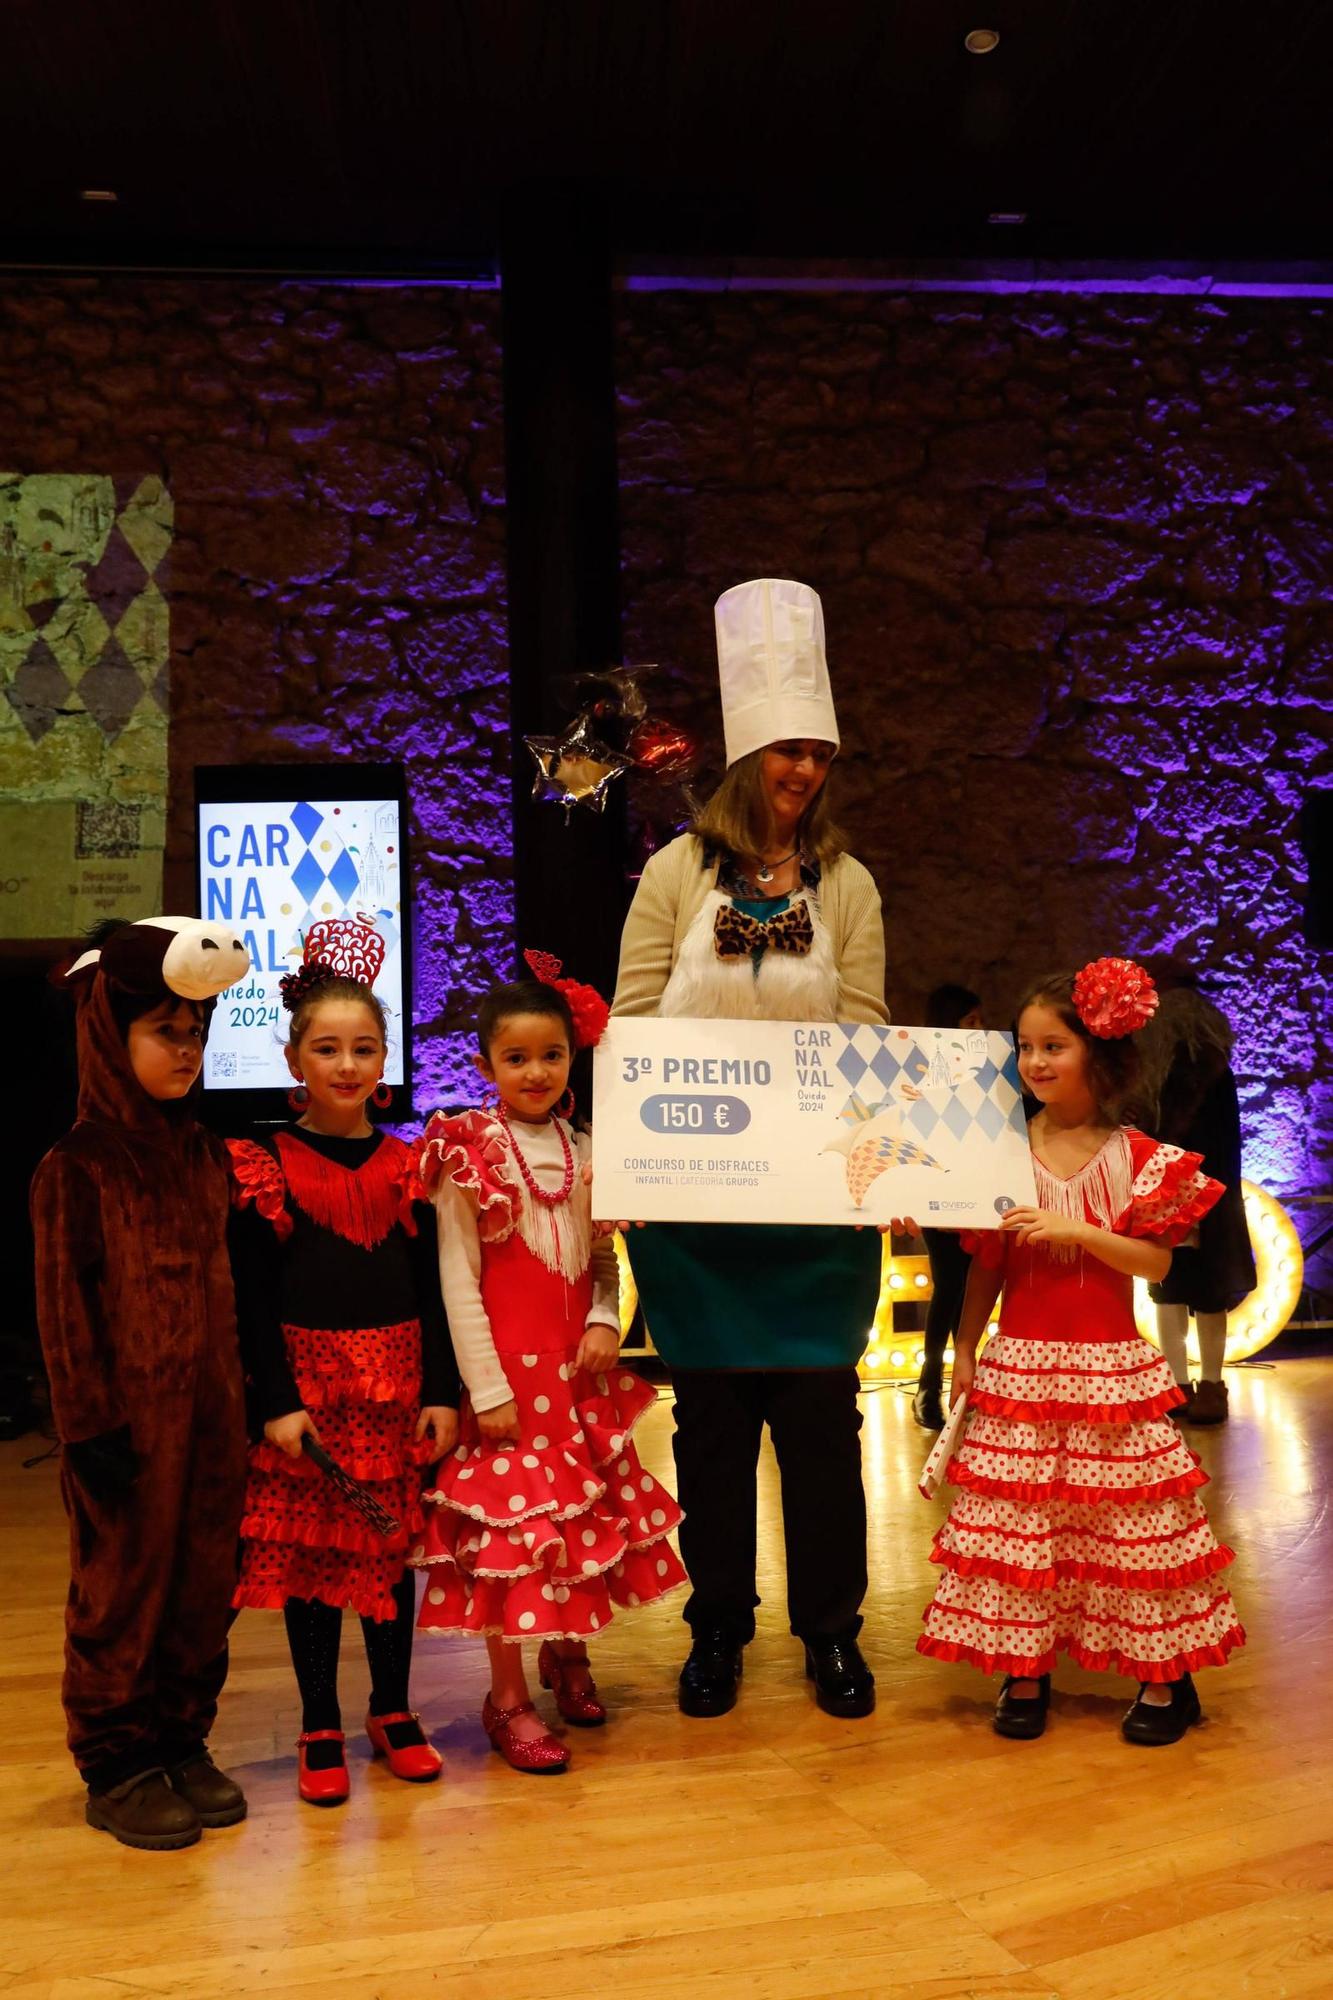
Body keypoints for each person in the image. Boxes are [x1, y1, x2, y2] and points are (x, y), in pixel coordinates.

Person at [612, 576, 891, 1722]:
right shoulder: (675, 874)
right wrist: (628, 1174)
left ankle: (832, 1631)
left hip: (816, 1210)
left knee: (825, 1430)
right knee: (713, 1432)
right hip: (700, 1207)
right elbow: (628, 1028)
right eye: (786, 749)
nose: (803, 771)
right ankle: (717, 1626)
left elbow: (870, 1032)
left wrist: (888, 1169)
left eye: (819, 752)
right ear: (744, 755)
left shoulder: (850, 882)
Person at [918, 957, 1245, 1746]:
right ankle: (1022, 1667)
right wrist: (965, 1349)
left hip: (1108, 1372)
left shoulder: (1138, 1157)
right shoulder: (999, 1153)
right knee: (1021, 1529)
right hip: (1020, 1369)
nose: (1034, 1062)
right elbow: (987, 1264)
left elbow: (1159, 1264)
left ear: (1096, 1055)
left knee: (1131, 1533)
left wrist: (1081, 1232)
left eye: (1051, 1046)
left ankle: (1165, 1675)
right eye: (1025, 1047)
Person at [411, 956, 685, 1773]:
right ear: (485, 1064)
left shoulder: (591, 1148)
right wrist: (486, 1389)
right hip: (506, 1387)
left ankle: (566, 1652)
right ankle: (507, 1699)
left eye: (552, 1056)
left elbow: (603, 1259)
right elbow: (456, 1280)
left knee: (573, 1528)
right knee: (512, 1540)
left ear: (574, 1056)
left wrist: (606, 1319)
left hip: (574, 1381)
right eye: (516, 1058)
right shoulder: (467, 1151)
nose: (536, 1072)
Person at [30, 916, 252, 1849]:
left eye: (196, 1033)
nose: (187, 1049)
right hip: (126, 1429)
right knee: (123, 1585)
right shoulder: (77, 1166)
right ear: (111, 1040)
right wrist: (91, 1426)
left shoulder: (203, 1156)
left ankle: (178, 1736)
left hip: (209, 1419)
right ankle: (118, 1759)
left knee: (204, 1580)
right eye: (166, 1032)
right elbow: (65, 1314)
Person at [228, 920, 460, 1807]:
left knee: (390, 1549)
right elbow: (251, 1302)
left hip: (398, 1387)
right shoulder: (263, 1165)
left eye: (365, 1047)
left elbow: (435, 1290)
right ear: (295, 1059)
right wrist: (275, 1402)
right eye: (327, 1048)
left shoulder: (411, 1167)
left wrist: (440, 1391)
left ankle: (393, 1709)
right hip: (309, 1397)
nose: (347, 1064)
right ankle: (319, 1717)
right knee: (317, 1561)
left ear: (385, 1057)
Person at [1134, 977, 1256, 1426]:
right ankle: (1202, 1385)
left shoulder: (1157, 1071)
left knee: (1173, 1290)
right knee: (1199, 1294)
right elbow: (1230, 1142)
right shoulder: (1211, 1070)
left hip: (1176, 1190)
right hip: (1205, 1193)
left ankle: (1184, 1384)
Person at [912, 982, 984, 1432]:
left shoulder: (988, 1076)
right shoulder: (928, 1077)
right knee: (949, 1287)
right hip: (940, 1198)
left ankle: (964, 1385)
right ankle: (928, 1386)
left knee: (973, 1289)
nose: (979, 1030)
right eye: (971, 1022)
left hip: (979, 1197)